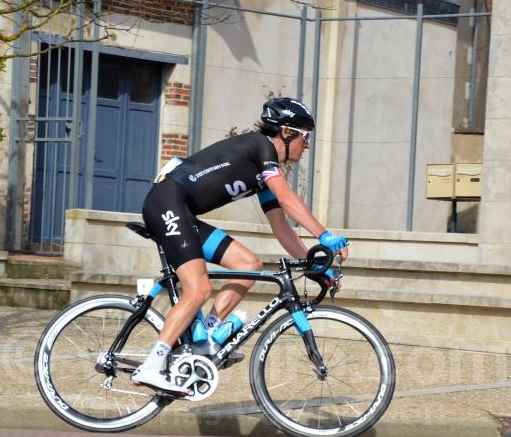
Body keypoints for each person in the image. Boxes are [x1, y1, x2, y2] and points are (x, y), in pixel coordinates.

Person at [132, 97, 350, 393]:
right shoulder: (261, 146)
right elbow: (287, 198)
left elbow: (281, 227)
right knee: (199, 289)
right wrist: (325, 236)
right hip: (166, 203)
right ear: (286, 133)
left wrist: (316, 267)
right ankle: (152, 366)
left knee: (249, 265)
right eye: (305, 136)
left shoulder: (263, 172)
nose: (307, 145)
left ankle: (204, 339)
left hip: (181, 212)